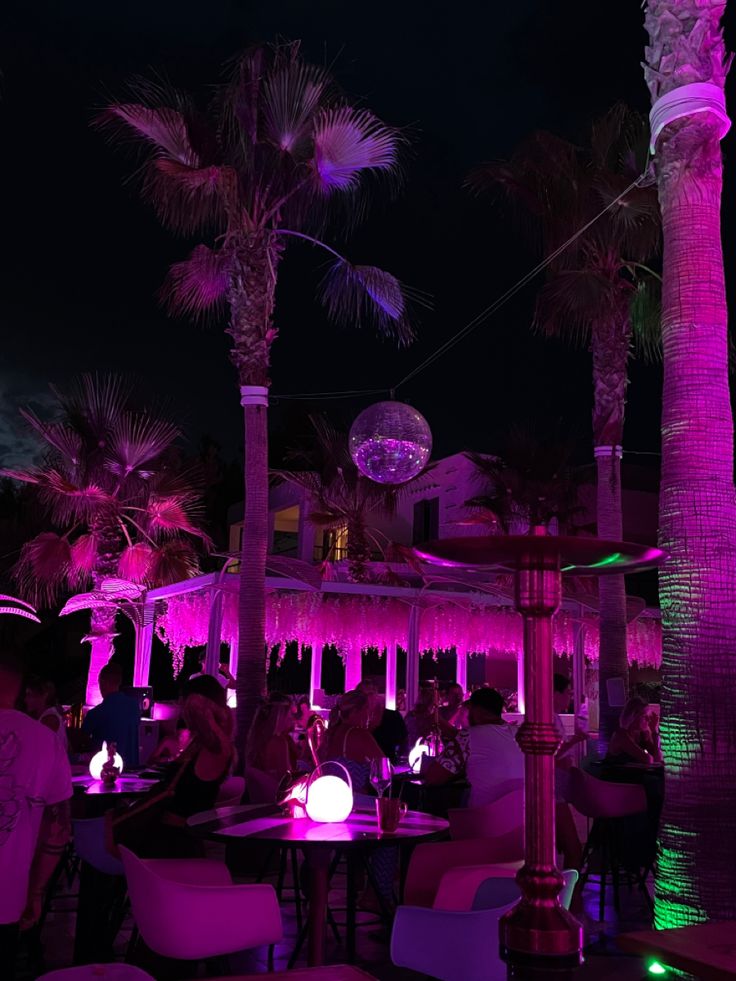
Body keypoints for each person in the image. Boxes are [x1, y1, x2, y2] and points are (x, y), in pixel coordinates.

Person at [0, 652, 72, 979]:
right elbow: (59, 828)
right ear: (18, 689)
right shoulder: (45, 741)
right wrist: (36, 891)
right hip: (8, 896)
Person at [424, 687, 524, 806]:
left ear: (476, 710)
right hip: (520, 815)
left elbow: (433, 777)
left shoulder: (468, 736)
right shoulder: (520, 734)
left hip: (482, 817)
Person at [81, 662, 140, 767]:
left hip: (107, 771)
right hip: (132, 768)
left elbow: (82, 741)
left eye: (99, 683)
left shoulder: (96, 713)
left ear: (104, 683)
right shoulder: (134, 707)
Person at [357, 679, 408, 764]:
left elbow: (404, 742)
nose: (367, 698)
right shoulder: (355, 719)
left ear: (376, 695)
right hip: (362, 766)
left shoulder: (393, 716)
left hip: (387, 765)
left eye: (370, 694)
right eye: (363, 695)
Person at [246, 697, 297, 782]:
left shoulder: (257, 739)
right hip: (275, 792)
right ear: (280, 718)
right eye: (289, 714)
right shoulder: (279, 742)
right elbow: (286, 778)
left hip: (259, 792)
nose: (292, 718)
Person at [607, 695, 662, 765]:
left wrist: (654, 730)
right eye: (645, 716)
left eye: (649, 716)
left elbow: (658, 759)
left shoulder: (641, 735)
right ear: (633, 716)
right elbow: (648, 759)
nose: (648, 720)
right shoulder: (621, 735)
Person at [24, 676, 68, 753]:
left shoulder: (49, 720)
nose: (25, 699)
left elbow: (39, 749)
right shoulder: (46, 716)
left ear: (44, 696)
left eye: (29, 695)